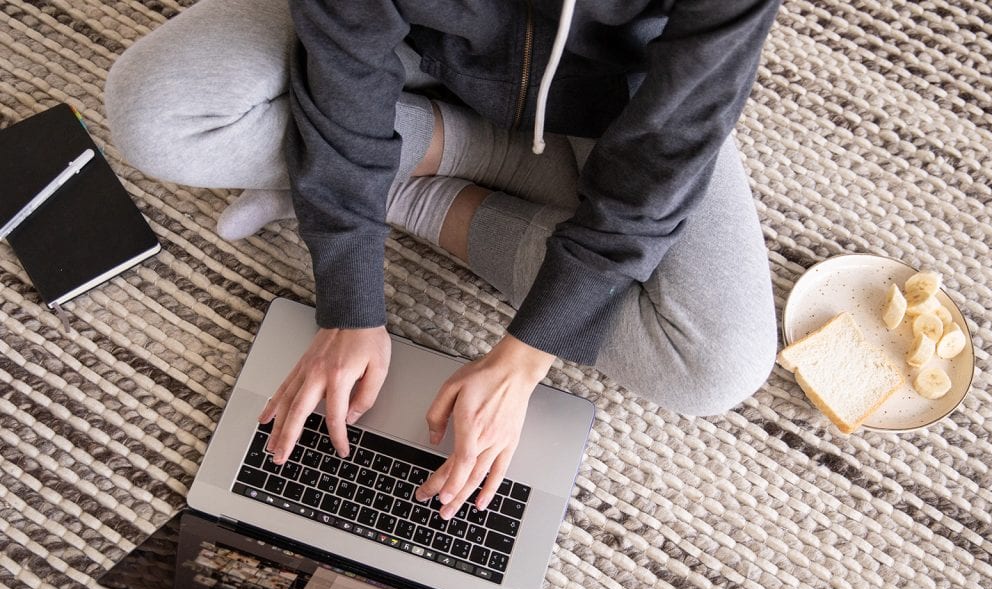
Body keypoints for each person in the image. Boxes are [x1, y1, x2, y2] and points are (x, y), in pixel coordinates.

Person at [105, 0, 780, 521]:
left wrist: (527, 353)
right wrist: (349, 303)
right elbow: (342, 49)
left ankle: (415, 170)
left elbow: (665, 149)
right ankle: (413, 167)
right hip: (403, 47)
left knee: (717, 364)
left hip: (612, 98)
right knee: (155, 113)